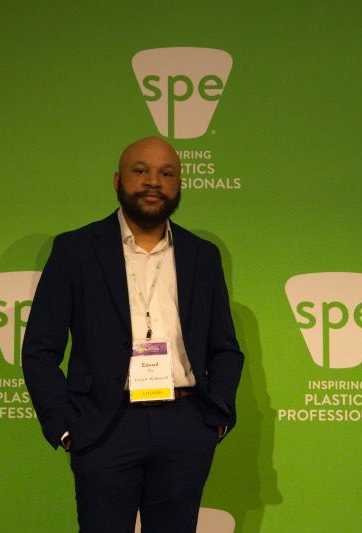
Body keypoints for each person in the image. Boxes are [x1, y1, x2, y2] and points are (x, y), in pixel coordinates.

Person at [21, 136, 244, 533]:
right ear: (117, 181)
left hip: (185, 422)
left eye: (166, 173)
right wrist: (66, 428)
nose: (153, 181)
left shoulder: (202, 255)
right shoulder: (75, 250)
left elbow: (224, 347)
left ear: (179, 184)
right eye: (140, 171)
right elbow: (40, 348)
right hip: (104, 425)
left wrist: (216, 418)